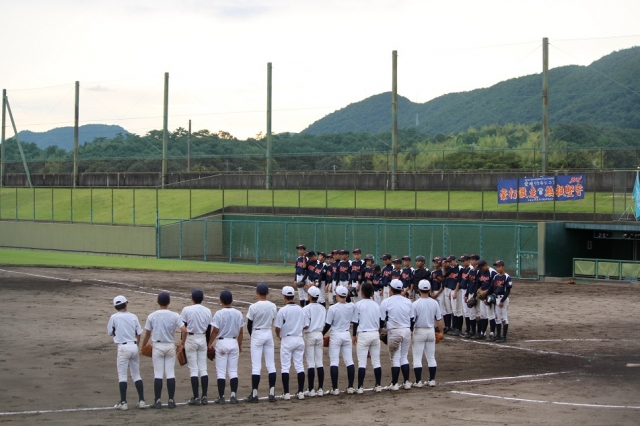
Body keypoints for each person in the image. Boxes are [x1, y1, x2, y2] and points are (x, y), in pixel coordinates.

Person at [141, 291, 186, 409]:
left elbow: (147, 333)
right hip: (170, 346)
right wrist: (182, 344)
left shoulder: (152, 316)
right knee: (170, 373)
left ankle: (157, 401)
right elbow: (184, 330)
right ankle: (171, 400)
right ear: (169, 302)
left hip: (158, 347)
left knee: (158, 374)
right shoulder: (175, 315)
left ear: (157, 302)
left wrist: (143, 346)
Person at [108, 295, 146, 410]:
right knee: (136, 375)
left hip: (123, 348)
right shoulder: (133, 316)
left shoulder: (114, 317)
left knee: (122, 376)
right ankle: (142, 401)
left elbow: (110, 332)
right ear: (126, 304)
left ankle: (123, 402)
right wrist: (136, 344)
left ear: (115, 307)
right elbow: (139, 333)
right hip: (133, 346)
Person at [209, 290, 245, 404]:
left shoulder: (219, 313)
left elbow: (215, 330)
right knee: (233, 371)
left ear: (221, 301)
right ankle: (233, 395)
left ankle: (221, 397)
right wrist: (239, 345)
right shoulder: (238, 313)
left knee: (221, 372)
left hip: (222, 343)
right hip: (233, 342)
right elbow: (241, 332)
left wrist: (209, 343)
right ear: (232, 300)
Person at [245, 283, 278, 403]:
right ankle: (272, 393)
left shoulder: (253, 307)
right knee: (271, 365)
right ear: (268, 293)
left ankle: (254, 394)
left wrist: (253, 335)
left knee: (256, 366)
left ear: (257, 293)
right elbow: (274, 320)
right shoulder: (273, 306)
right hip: (268, 333)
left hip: (257, 333)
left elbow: (249, 325)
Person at [179, 289, 212, 406]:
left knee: (193, 369)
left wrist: (182, 343)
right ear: (202, 299)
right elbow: (209, 329)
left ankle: (196, 397)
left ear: (192, 298)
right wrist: (207, 343)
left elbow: (183, 328)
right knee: (203, 368)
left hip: (191, 339)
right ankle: (204, 397)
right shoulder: (207, 310)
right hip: (202, 338)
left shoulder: (186, 310)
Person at [322, 286, 357, 395]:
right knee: (349, 361)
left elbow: (328, 324)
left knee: (334, 361)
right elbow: (355, 321)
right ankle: (350, 387)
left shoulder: (333, 308)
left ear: (337, 295)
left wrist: (321, 334)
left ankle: (335, 388)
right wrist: (354, 335)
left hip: (335, 335)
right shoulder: (352, 306)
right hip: (346, 334)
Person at [380, 279, 413, 391]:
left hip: (394, 331)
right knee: (404, 357)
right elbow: (412, 319)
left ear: (391, 289)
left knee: (395, 358)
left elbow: (381, 320)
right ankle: (406, 382)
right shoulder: (408, 301)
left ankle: (394, 384)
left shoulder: (386, 302)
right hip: (406, 330)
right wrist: (409, 330)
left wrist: (380, 331)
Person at [411, 280, 444, 387]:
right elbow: (439, 320)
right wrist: (441, 332)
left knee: (417, 357)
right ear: (429, 290)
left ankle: (418, 381)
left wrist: (410, 332)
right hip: (430, 331)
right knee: (431, 357)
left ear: (419, 290)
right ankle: (432, 380)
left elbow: (412, 320)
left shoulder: (415, 304)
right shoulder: (434, 303)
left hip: (419, 331)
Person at [275, 286, 306, 400]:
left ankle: (286, 393)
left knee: (285, 367)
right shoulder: (301, 309)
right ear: (293, 296)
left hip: (287, 339)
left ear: (284, 297)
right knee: (299, 366)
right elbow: (306, 325)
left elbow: (277, 327)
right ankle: (301, 392)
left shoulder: (282, 310)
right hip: (299, 338)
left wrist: (279, 336)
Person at [352, 283, 383, 393]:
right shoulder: (377, 305)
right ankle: (378, 385)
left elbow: (355, 322)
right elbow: (381, 322)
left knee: (362, 363)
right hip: (375, 334)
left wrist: (354, 335)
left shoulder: (358, 305)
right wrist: (378, 332)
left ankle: (360, 387)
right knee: (376, 361)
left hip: (363, 334)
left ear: (362, 293)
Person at [303, 286, 327, 397]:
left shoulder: (306, 309)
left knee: (311, 363)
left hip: (310, 335)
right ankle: (321, 389)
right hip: (319, 334)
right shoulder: (322, 308)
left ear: (309, 296)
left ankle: (311, 389)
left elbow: (306, 325)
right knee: (319, 362)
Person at [491, 260, 512, 343]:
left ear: (503, 266)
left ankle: (504, 336)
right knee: (497, 318)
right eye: (497, 266)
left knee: (504, 318)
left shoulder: (507, 277)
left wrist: (502, 301)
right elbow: (492, 288)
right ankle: (498, 335)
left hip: (503, 298)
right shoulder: (495, 276)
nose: (498, 268)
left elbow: (508, 291)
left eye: (499, 266)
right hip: (496, 298)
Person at [475, 260, 497, 340]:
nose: (480, 269)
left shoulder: (492, 272)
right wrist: (477, 292)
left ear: (485, 265)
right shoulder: (480, 272)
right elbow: (479, 283)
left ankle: (492, 333)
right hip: (483, 297)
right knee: (483, 315)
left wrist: (486, 293)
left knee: (491, 315)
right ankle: (483, 333)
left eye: (481, 268)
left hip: (490, 296)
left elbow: (494, 286)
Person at [442, 255, 460, 335]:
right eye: (449, 262)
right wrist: (443, 267)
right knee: (454, 310)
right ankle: (454, 327)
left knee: (458, 310)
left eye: (451, 261)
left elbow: (459, 281)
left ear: (455, 260)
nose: (450, 263)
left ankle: (458, 328)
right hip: (452, 290)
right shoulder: (452, 269)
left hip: (458, 290)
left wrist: (455, 291)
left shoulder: (460, 268)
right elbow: (444, 275)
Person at [465, 255, 482, 339]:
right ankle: (472, 331)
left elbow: (477, 284)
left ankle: (479, 332)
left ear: (477, 261)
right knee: (471, 313)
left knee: (478, 313)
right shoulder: (471, 271)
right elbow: (469, 284)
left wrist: (474, 296)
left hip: (476, 295)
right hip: (470, 293)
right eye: (471, 259)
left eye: (473, 260)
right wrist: (466, 294)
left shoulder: (479, 271)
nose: (471, 261)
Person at [458, 255, 473, 338]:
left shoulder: (471, 269)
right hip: (463, 291)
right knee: (466, 312)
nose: (462, 262)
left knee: (470, 312)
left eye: (464, 261)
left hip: (469, 291)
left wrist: (467, 294)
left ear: (468, 260)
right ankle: (468, 330)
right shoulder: (463, 269)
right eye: (462, 261)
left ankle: (471, 330)